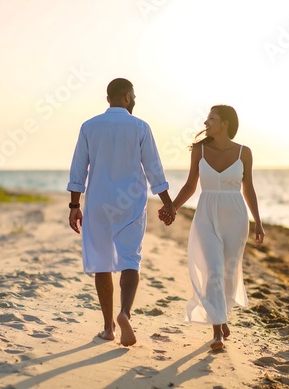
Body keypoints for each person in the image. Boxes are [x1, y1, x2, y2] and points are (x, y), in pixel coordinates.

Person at [67, 78, 176, 347]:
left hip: (99, 204)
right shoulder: (140, 127)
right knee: (130, 260)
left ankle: (108, 328)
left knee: (102, 263)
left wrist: (74, 206)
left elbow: (78, 169)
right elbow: (154, 169)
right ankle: (125, 313)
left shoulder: (89, 126)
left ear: (108, 99)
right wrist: (168, 202)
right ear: (127, 97)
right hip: (131, 204)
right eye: (134, 96)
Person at [159, 105, 265, 350]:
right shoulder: (200, 150)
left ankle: (221, 315)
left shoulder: (244, 153)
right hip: (206, 215)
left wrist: (258, 221)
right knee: (214, 270)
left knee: (228, 272)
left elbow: (248, 188)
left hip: (236, 217)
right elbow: (190, 185)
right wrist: (172, 207)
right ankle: (217, 332)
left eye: (211, 118)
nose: (206, 122)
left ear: (225, 123)